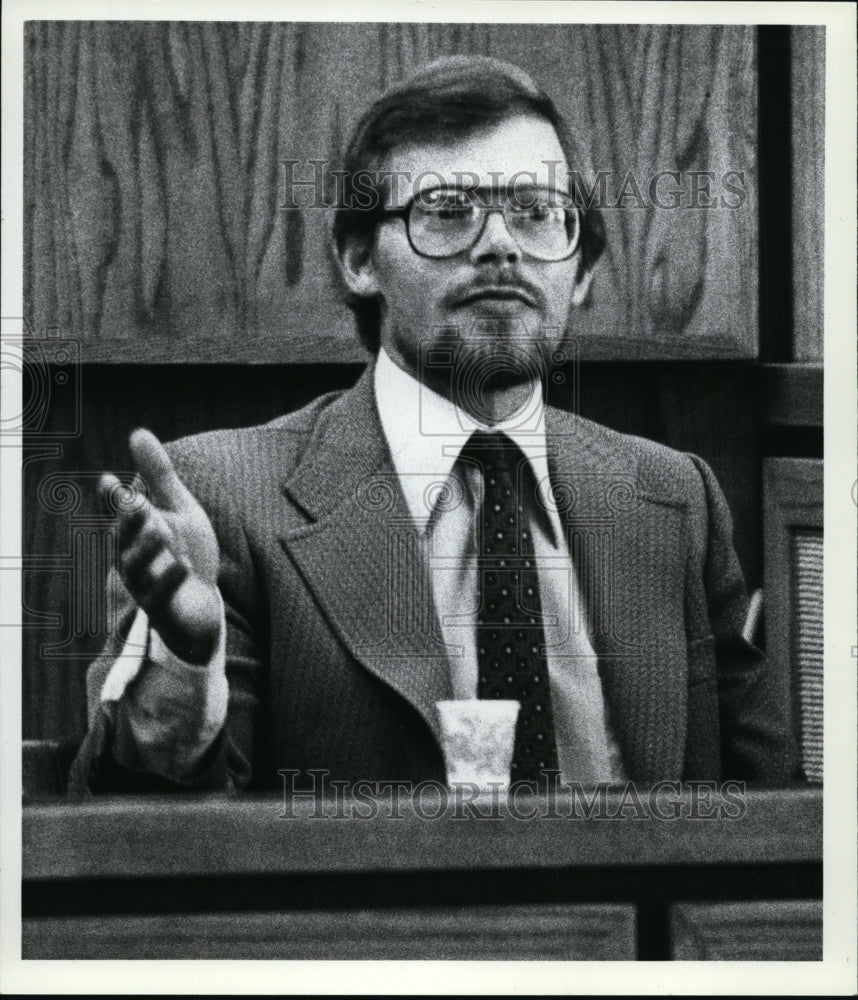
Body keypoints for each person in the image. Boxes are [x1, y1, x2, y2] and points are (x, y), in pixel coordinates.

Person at [69, 55, 795, 796]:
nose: (500, 245)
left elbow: (771, 828)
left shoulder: (674, 500)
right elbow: (159, 845)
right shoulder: (224, 502)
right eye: (447, 211)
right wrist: (185, 669)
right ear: (359, 260)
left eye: (537, 212)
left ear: (580, 272)